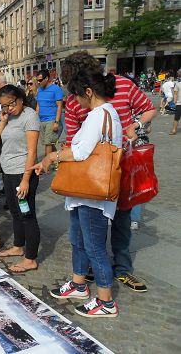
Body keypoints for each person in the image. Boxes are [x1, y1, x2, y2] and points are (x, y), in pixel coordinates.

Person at [31, 67, 122, 318]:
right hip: (84, 192)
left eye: (77, 96)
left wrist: (52, 155)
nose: (76, 102)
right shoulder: (105, 114)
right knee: (79, 240)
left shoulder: (99, 115)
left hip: (92, 193)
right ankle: (78, 283)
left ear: (89, 92)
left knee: (94, 246)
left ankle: (105, 301)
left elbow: (81, 152)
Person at [62, 50, 156, 292]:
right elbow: (73, 137)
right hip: (92, 172)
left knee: (122, 221)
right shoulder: (75, 98)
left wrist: (134, 126)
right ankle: (91, 268)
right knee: (89, 228)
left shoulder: (123, 85)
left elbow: (148, 108)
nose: (73, 94)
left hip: (122, 165)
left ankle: (121, 269)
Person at [0, 85, 41, 273]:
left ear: (20, 98)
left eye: (11, 103)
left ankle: (30, 258)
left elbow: (32, 151)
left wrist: (26, 179)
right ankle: (18, 246)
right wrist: (3, 121)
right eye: (4, 106)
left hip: (23, 173)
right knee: (14, 212)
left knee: (27, 215)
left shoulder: (30, 116)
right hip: (9, 172)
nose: (9, 108)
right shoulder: (9, 117)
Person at [36, 69, 64, 157]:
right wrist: (36, 118)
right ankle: (57, 160)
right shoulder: (39, 90)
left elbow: (60, 106)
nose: (38, 82)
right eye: (37, 80)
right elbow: (38, 105)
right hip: (41, 120)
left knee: (48, 143)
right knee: (49, 143)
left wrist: (56, 122)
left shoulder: (56, 89)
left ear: (47, 78)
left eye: (40, 80)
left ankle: (46, 166)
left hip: (51, 120)